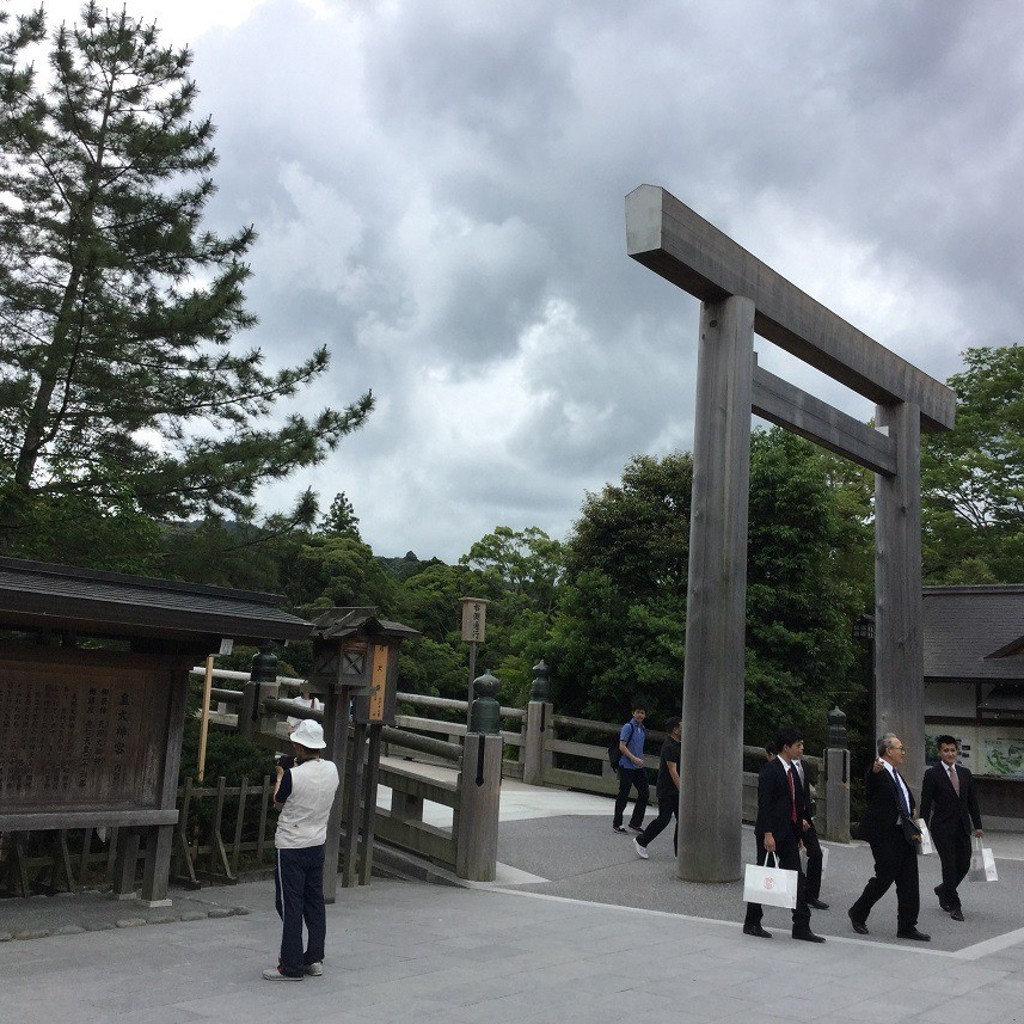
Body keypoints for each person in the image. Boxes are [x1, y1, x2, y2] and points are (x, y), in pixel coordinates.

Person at [263, 718, 340, 981]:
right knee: (315, 902)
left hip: (291, 846)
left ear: (298, 746)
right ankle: (314, 958)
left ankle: (291, 965)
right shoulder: (332, 769)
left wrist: (281, 774)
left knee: (289, 903)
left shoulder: (293, 775)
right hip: (317, 842)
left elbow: (278, 802)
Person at [743, 726, 824, 942]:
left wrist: (801, 823)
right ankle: (752, 921)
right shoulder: (771, 771)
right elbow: (765, 804)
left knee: (795, 877)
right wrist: (768, 833)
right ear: (786, 747)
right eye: (798, 745)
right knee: (763, 876)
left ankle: (801, 925)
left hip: (789, 832)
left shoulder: (793, 770)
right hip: (770, 832)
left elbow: (796, 801)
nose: (802, 748)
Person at [848, 733, 929, 941]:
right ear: (888, 751)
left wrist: (911, 811)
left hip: (903, 833)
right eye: (899, 748)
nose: (903, 752)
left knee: (909, 880)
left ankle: (907, 926)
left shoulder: (896, 773)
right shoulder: (879, 769)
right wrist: (873, 771)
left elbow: (903, 798)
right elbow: (871, 786)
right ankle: (858, 912)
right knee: (884, 877)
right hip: (884, 834)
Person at [919, 734, 983, 922]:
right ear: (940, 752)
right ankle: (954, 905)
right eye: (946, 750)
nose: (950, 753)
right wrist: (922, 828)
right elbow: (926, 802)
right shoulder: (932, 774)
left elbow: (972, 802)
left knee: (963, 864)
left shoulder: (965, 773)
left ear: (957, 752)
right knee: (949, 865)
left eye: (953, 750)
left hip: (963, 826)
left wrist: (978, 825)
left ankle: (943, 889)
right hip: (942, 828)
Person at [633, 716, 681, 858]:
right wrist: (682, 790)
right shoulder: (669, 746)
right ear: (674, 729)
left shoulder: (678, 744)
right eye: (681, 726)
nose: (684, 728)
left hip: (675, 789)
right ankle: (641, 841)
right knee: (664, 819)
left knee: (683, 820)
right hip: (667, 789)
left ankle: (680, 852)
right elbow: (673, 770)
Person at [792, 753, 828, 910]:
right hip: (791, 817)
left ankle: (811, 895)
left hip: (806, 815)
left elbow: (805, 793)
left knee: (816, 853)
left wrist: (808, 815)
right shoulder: (784, 768)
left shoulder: (804, 766)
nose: (801, 749)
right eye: (798, 745)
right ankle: (792, 892)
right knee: (790, 857)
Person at [612, 705, 648, 834]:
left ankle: (635, 822)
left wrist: (640, 760)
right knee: (623, 794)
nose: (640, 715)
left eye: (642, 713)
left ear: (645, 715)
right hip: (626, 765)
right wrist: (634, 759)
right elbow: (622, 746)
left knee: (644, 793)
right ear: (633, 713)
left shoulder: (642, 729)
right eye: (638, 712)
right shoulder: (628, 727)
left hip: (638, 767)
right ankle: (617, 823)